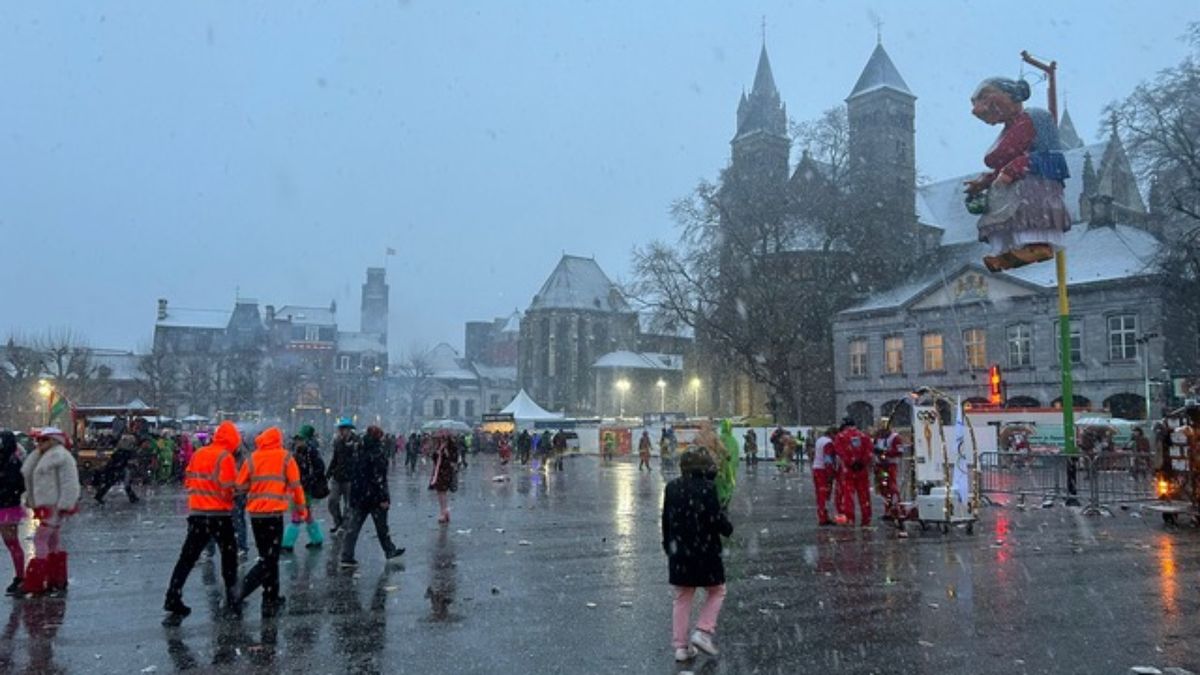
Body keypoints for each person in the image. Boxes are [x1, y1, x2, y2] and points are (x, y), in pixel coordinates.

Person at [965, 76, 1070, 272]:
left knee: (1027, 210)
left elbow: (1051, 158)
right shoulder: (1009, 128)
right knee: (1002, 217)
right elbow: (1001, 163)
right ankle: (1009, 254)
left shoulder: (1035, 117)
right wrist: (985, 181)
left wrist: (1017, 167)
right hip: (1010, 189)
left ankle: (1037, 246)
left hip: (1036, 184)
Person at [163, 420, 242, 621]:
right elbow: (228, 488)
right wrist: (237, 493)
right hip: (219, 515)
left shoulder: (199, 453)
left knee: (187, 557)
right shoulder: (225, 457)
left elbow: (188, 480)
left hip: (197, 513)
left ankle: (173, 593)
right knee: (228, 554)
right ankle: (232, 597)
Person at [662, 447, 733, 662]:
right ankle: (703, 631)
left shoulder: (672, 487)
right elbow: (714, 518)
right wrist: (727, 528)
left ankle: (681, 647)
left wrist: (668, 545)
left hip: (679, 551)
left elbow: (666, 519)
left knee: (682, 596)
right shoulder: (707, 488)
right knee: (717, 590)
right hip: (705, 550)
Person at [236, 427, 306, 617]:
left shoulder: (252, 457)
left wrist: (256, 487)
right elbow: (296, 486)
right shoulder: (285, 457)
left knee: (267, 555)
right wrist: (301, 508)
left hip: (256, 514)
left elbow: (240, 485)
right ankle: (240, 592)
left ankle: (271, 596)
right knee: (270, 558)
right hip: (274, 514)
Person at [20, 427, 80, 596]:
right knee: (52, 540)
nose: (39, 443)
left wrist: (65, 504)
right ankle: (55, 578)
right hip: (44, 504)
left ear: (53, 440)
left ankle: (37, 579)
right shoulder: (40, 456)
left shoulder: (61, 457)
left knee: (40, 538)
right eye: (38, 440)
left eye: (43, 440)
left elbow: (70, 483)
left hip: (53, 504)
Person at [340, 426, 405, 569]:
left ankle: (347, 555)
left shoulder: (359, 449)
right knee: (381, 527)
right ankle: (389, 550)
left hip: (359, 495)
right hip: (375, 497)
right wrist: (384, 498)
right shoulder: (377, 452)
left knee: (353, 527)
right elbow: (379, 478)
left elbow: (354, 471)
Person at [282, 425, 327, 553]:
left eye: (300, 438)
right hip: (300, 487)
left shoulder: (309, 452)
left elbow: (320, 468)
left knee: (297, 515)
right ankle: (316, 539)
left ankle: (287, 544)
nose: (297, 441)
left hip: (303, 489)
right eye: (297, 439)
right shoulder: (301, 451)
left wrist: (307, 479)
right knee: (307, 515)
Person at [833, 419, 874, 527]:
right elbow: (869, 451)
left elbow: (840, 452)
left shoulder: (840, 437)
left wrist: (850, 462)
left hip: (848, 471)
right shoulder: (864, 436)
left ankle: (850, 519)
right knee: (864, 496)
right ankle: (866, 519)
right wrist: (862, 462)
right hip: (862, 470)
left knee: (848, 496)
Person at [0, 431, 26, 595]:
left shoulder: (12, 462)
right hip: (7, 505)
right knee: (11, 543)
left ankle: (20, 577)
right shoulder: (11, 460)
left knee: (11, 542)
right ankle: (20, 577)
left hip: (7, 507)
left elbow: (17, 485)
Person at [326, 418, 359, 535]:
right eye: (340, 429)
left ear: (349, 430)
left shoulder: (357, 442)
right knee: (332, 501)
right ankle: (338, 522)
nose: (341, 432)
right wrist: (328, 474)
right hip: (337, 476)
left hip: (350, 478)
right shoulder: (338, 442)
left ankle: (345, 525)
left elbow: (359, 460)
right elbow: (335, 459)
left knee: (348, 505)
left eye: (343, 429)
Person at [93, 433, 140, 505]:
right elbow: (118, 460)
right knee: (118, 484)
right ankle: (132, 498)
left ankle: (132, 497)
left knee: (111, 484)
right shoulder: (124, 451)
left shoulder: (121, 451)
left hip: (117, 469)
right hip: (118, 469)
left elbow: (114, 460)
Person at [874, 425, 905, 520]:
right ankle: (888, 510)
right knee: (884, 488)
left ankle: (898, 509)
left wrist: (884, 452)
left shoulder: (895, 438)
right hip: (880, 466)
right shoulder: (878, 438)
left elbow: (899, 452)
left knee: (892, 487)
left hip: (890, 466)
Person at [429, 434, 458, 524]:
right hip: (438, 472)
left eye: (444, 439)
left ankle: (444, 512)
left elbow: (454, 459)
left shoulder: (452, 446)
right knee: (439, 492)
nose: (442, 440)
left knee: (443, 492)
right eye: (441, 439)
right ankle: (444, 511)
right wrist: (437, 453)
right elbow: (433, 458)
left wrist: (446, 453)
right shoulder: (438, 446)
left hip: (446, 472)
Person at [812, 428, 837, 526]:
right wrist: (830, 473)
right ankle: (824, 517)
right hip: (823, 470)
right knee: (825, 494)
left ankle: (822, 515)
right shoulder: (828, 443)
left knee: (819, 494)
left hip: (816, 468)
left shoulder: (819, 440)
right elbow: (828, 459)